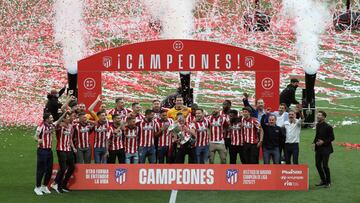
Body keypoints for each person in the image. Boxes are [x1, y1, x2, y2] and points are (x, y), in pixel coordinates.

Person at [33, 112, 66, 195]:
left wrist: (65, 113)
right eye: (51, 118)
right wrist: (38, 140)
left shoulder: (51, 125)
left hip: (49, 151)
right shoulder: (41, 126)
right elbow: (35, 136)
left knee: (49, 169)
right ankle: (37, 187)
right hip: (42, 150)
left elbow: (58, 121)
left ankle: (44, 186)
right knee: (41, 170)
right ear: (47, 119)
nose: (52, 119)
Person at [51, 112, 76, 193]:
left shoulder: (71, 126)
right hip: (60, 149)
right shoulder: (59, 126)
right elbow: (57, 122)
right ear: (64, 119)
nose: (69, 118)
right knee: (63, 168)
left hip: (68, 149)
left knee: (72, 167)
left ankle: (64, 185)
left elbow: (70, 138)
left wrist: (73, 147)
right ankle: (56, 184)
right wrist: (64, 113)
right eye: (67, 117)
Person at [313, 111, 335, 188]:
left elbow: (332, 138)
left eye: (319, 115)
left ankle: (328, 182)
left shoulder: (328, 127)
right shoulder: (318, 125)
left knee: (325, 165)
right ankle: (323, 180)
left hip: (326, 149)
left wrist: (323, 142)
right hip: (318, 148)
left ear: (324, 117)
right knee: (317, 165)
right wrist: (314, 142)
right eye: (317, 115)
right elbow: (317, 135)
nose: (317, 116)